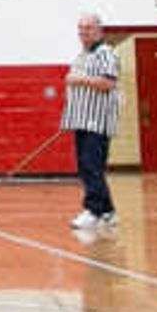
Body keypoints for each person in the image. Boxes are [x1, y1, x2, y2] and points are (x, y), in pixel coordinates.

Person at [63, 14, 121, 237]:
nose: (84, 32)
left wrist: (78, 80)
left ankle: (93, 210)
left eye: (88, 28)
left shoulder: (105, 53)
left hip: (97, 121)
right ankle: (108, 211)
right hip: (80, 120)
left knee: (91, 166)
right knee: (87, 166)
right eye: (81, 28)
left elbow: (108, 82)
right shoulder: (81, 56)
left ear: (99, 30)